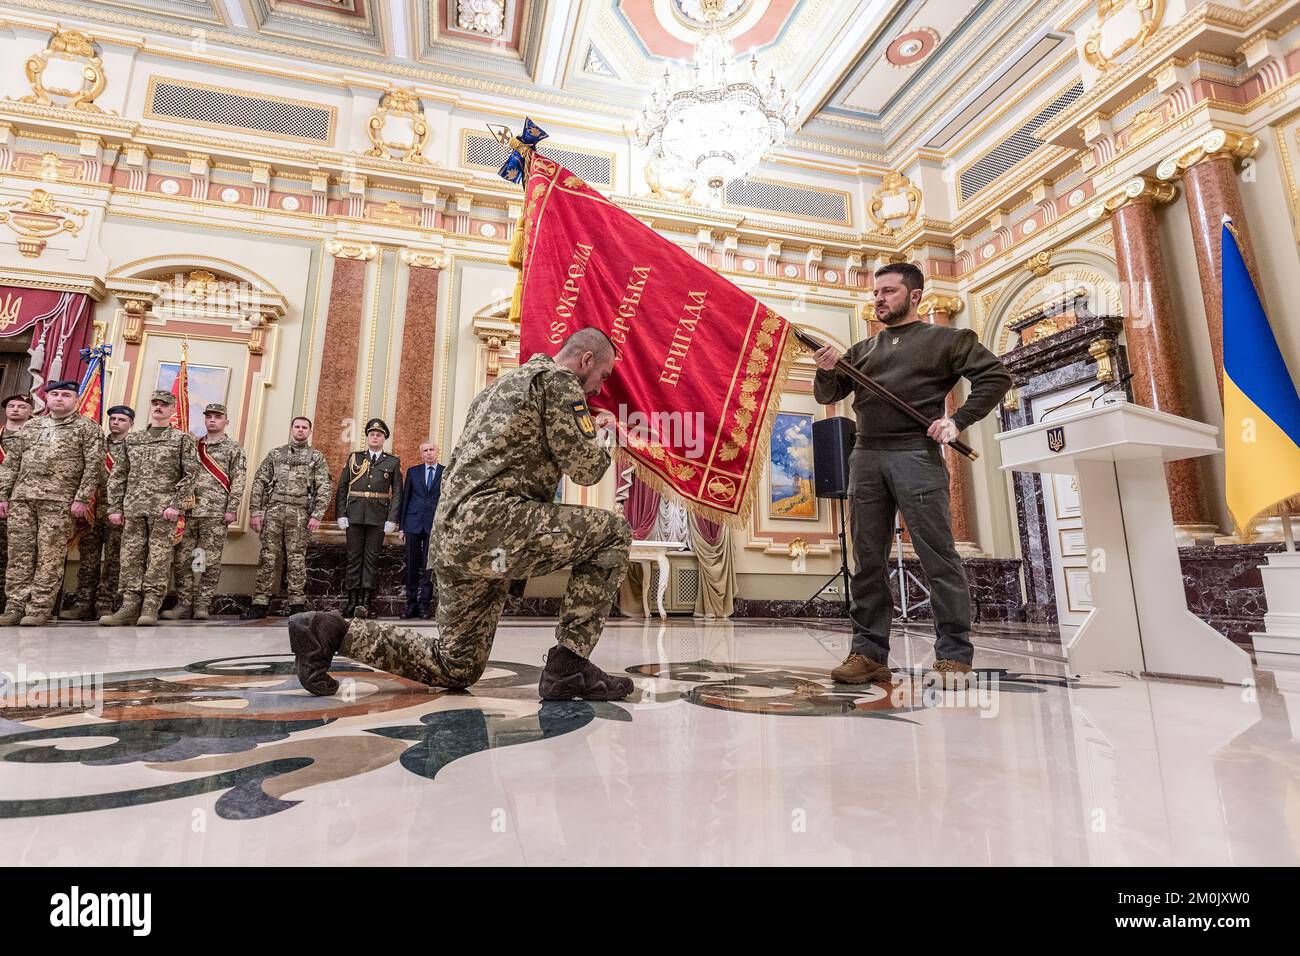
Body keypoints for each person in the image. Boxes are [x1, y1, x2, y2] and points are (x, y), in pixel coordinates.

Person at [288, 327, 633, 702]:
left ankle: (328, 631)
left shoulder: (496, 389)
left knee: (458, 664)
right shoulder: (558, 381)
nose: (600, 388)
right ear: (586, 359)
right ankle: (570, 663)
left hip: (454, 534)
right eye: (604, 375)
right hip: (495, 523)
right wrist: (606, 436)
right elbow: (585, 469)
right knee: (613, 532)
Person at [813, 262, 1010, 685]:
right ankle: (868, 653)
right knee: (867, 558)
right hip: (865, 455)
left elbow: (996, 376)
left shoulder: (947, 340)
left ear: (915, 295)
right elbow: (829, 393)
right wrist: (828, 367)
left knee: (938, 556)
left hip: (916, 455)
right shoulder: (863, 351)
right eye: (876, 292)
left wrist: (957, 421)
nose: (879, 299)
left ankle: (954, 653)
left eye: (888, 291)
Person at [0, 381, 102, 626]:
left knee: (49, 556)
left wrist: (82, 498)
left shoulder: (87, 427)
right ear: (46, 398)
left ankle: (38, 609)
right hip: (23, 499)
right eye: (54, 394)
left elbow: (93, 466)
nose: (59, 399)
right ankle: (15, 606)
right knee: (20, 555)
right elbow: (12, 462)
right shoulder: (31, 425)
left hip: (58, 501)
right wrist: (3, 494)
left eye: (66, 395)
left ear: (76, 400)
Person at [100, 390, 198, 627]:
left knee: (159, 559)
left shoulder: (182, 439)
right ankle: (129, 606)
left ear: (173, 409)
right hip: (133, 508)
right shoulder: (133, 439)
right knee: (130, 557)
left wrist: (176, 504)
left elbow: (191, 474)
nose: (158, 407)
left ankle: (151, 605)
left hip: (164, 510)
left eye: (164, 404)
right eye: (154, 403)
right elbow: (119, 474)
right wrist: (115, 507)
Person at [163, 403, 246, 620]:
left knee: (210, 560)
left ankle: (202, 604)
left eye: (217, 417)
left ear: (226, 421)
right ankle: (184, 604)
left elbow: (238, 480)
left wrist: (232, 507)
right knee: (182, 560)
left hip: (215, 512)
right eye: (209, 416)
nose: (212, 420)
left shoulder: (234, 448)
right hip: (188, 510)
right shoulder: (192, 445)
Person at [243, 416, 331, 618]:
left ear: (309, 431)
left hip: (300, 513)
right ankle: (259, 602)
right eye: (297, 426)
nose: (300, 430)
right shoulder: (276, 454)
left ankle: (297, 604)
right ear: (291, 429)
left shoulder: (316, 457)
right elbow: (259, 482)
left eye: (304, 427)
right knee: (267, 555)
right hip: (274, 511)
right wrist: (255, 511)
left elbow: (324, 487)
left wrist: (317, 515)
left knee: (296, 558)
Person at [63, 404, 135, 620]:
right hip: (93, 508)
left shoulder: (134, 446)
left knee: (114, 560)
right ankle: (83, 603)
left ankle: (105, 603)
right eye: (112, 419)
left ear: (131, 423)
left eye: (121, 420)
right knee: (89, 558)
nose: (116, 423)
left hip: (118, 509)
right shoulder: (96, 444)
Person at [334, 418, 401, 618]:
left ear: (384, 439)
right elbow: (343, 487)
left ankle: (365, 602)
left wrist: (392, 519)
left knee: (371, 560)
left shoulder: (392, 462)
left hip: (378, 517)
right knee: (354, 558)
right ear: (368, 437)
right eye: (372, 434)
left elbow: (397, 492)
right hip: (354, 515)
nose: (375, 437)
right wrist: (341, 514)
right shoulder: (355, 458)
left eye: (379, 434)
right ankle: (352, 601)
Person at [396, 441, 442, 619]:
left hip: (434, 525)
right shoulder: (413, 472)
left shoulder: (445, 472)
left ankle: (424, 605)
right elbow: (406, 499)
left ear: (437, 452)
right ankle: (410, 604)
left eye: (431, 450)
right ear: (421, 454)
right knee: (412, 566)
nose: (429, 453)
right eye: (425, 451)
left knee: (428, 567)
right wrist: (402, 527)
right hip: (413, 524)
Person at [0, 392, 34, 614]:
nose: (15, 409)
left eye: (22, 406)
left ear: (31, 411)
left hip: (19, 501)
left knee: (14, 555)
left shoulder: (34, 436)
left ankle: (9, 602)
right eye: (11, 406)